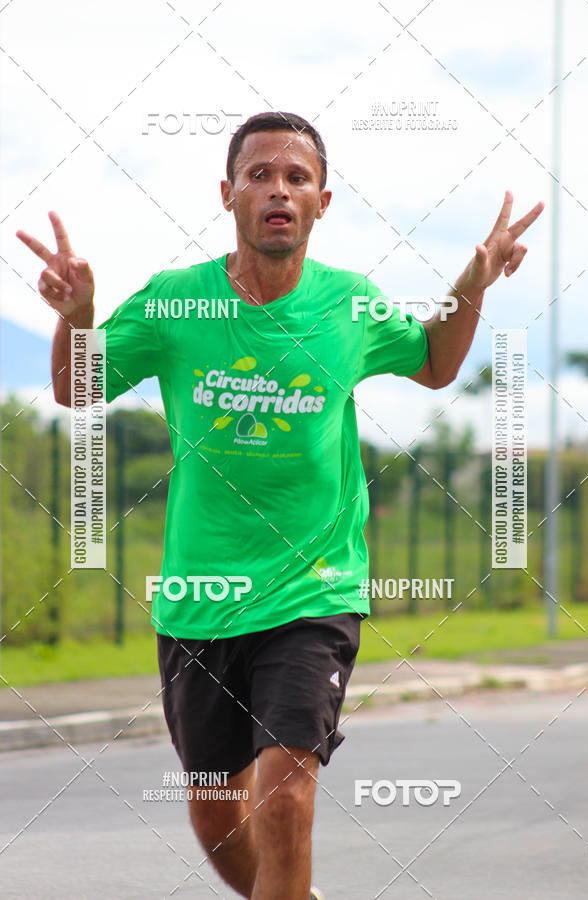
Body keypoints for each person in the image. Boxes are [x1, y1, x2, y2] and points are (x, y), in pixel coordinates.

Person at [16, 110, 543, 899]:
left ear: (321, 203)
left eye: (297, 177)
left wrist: (471, 285)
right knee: (217, 818)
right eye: (260, 173)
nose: (279, 189)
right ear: (226, 193)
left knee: (286, 795)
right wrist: (75, 315)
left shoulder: (348, 307)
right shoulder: (173, 304)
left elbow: (435, 362)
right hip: (202, 600)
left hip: (314, 588)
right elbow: (75, 387)